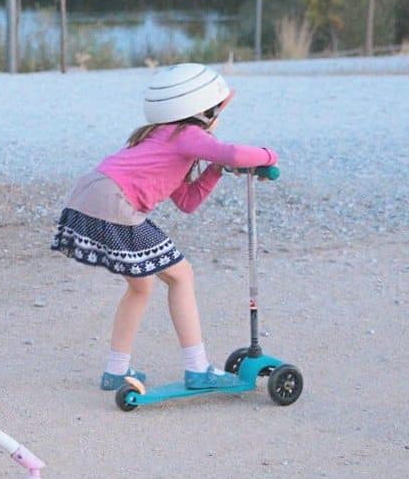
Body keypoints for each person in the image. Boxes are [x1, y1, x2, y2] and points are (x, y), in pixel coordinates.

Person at [51, 63, 278, 392]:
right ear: (205, 110)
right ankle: (198, 368)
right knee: (181, 275)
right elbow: (235, 152)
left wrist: (214, 169)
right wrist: (269, 156)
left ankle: (116, 370)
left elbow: (187, 200)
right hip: (114, 199)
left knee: (141, 286)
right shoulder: (187, 136)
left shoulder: (161, 137)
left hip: (90, 194)